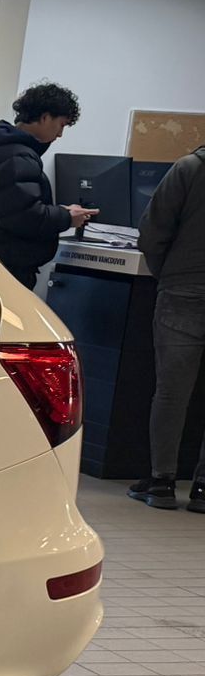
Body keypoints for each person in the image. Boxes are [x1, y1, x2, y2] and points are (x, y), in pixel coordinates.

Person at [0, 82, 97, 289]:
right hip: (6, 269)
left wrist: (61, 212)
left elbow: (14, 206)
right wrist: (67, 217)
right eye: (61, 124)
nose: (60, 135)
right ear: (44, 117)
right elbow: (23, 217)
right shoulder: (15, 155)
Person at [131, 143, 205, 511]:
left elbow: (152, 232)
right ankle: (203, 489)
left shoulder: (188, 168)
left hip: (184, 291)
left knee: (172, 393)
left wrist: (169, 273)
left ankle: (161, 481)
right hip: (184, 285)